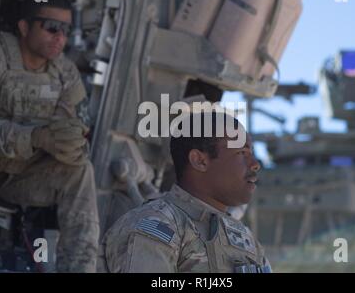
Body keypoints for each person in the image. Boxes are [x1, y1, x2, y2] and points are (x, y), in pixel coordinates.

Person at [0, 0, 99, 272]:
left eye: (66, 30)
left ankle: (80, 267)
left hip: (21, 177)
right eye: (51, 27)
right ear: (25, 27)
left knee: (81, 169)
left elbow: (75, 128)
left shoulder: (65, 72)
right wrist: (36, 137)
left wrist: (71, 144)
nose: (59, 37)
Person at [100, 111, 271, 273]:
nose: (255, 164)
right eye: (242, 152)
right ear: (200, 161)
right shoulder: (153, 228)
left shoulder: (245, 239)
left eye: (251, 153)